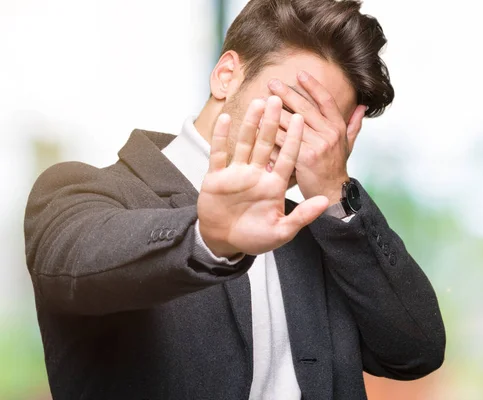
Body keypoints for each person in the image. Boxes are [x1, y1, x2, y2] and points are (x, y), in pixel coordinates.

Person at [23, 0, 445, 398]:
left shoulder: (326, 238)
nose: (298, 136)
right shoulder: (82, 194)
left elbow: (415, 351)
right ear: (227, 75)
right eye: (291, 106)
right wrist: (208, 239)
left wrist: (337, 195)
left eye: (323, 126)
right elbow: (78, 264)